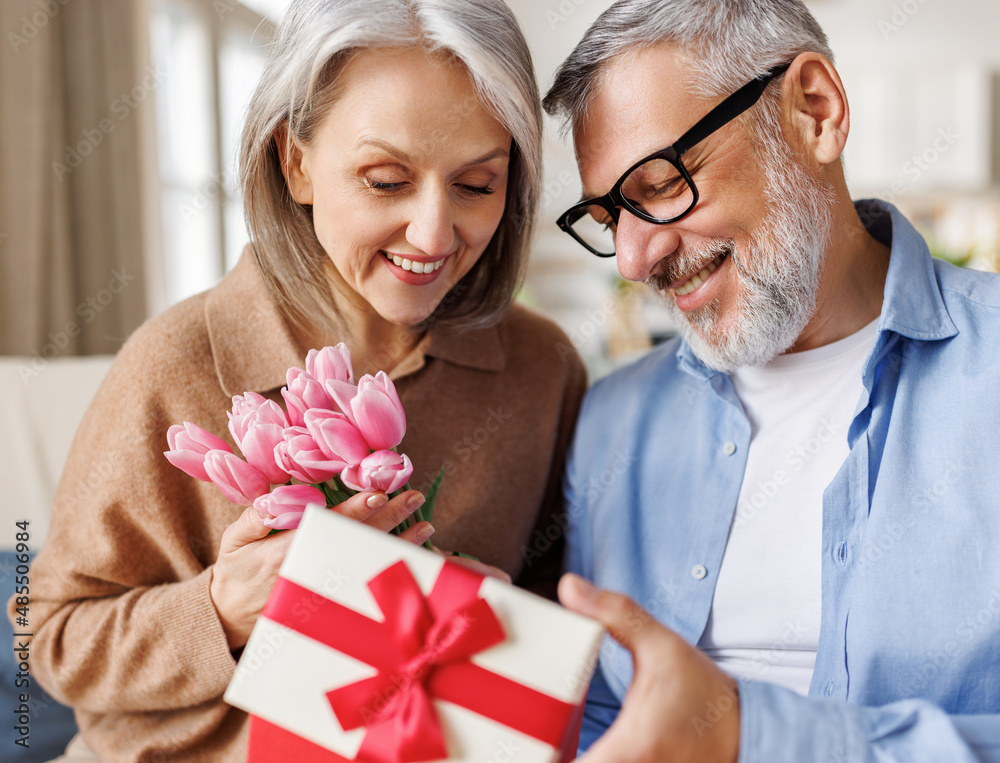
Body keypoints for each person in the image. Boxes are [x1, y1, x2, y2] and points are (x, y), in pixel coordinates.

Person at [11, 1, 586, 760]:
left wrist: (502, 617)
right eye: (385, 180)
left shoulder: (541, 368)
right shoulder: (175, 364)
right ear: (296, 163)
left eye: (477, 184)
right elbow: (48, 638)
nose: (434, 234)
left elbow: (565, 601)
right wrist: (221, 609)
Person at [544, 0, 1000, 760]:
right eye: (607, 218)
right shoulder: (614, 420)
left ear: (814, 112)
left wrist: (747, 734)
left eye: (660, 184)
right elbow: (597, 714)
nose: (633, 259)